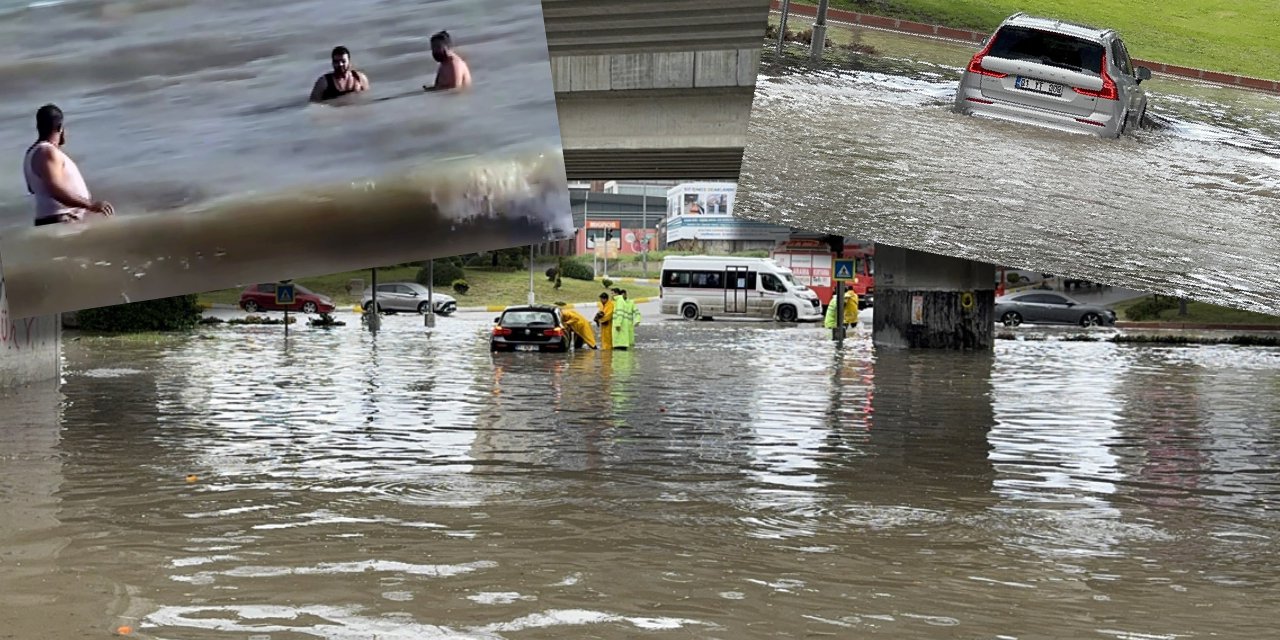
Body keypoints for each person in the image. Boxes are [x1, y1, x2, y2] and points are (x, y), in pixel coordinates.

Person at [23, 104, 113, 226]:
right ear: (60, 128)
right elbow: (55, 190)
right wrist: (90, 205)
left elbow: (33, 189)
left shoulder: (32, 153)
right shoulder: (47, 152)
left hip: (56, 220)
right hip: (60, 220)